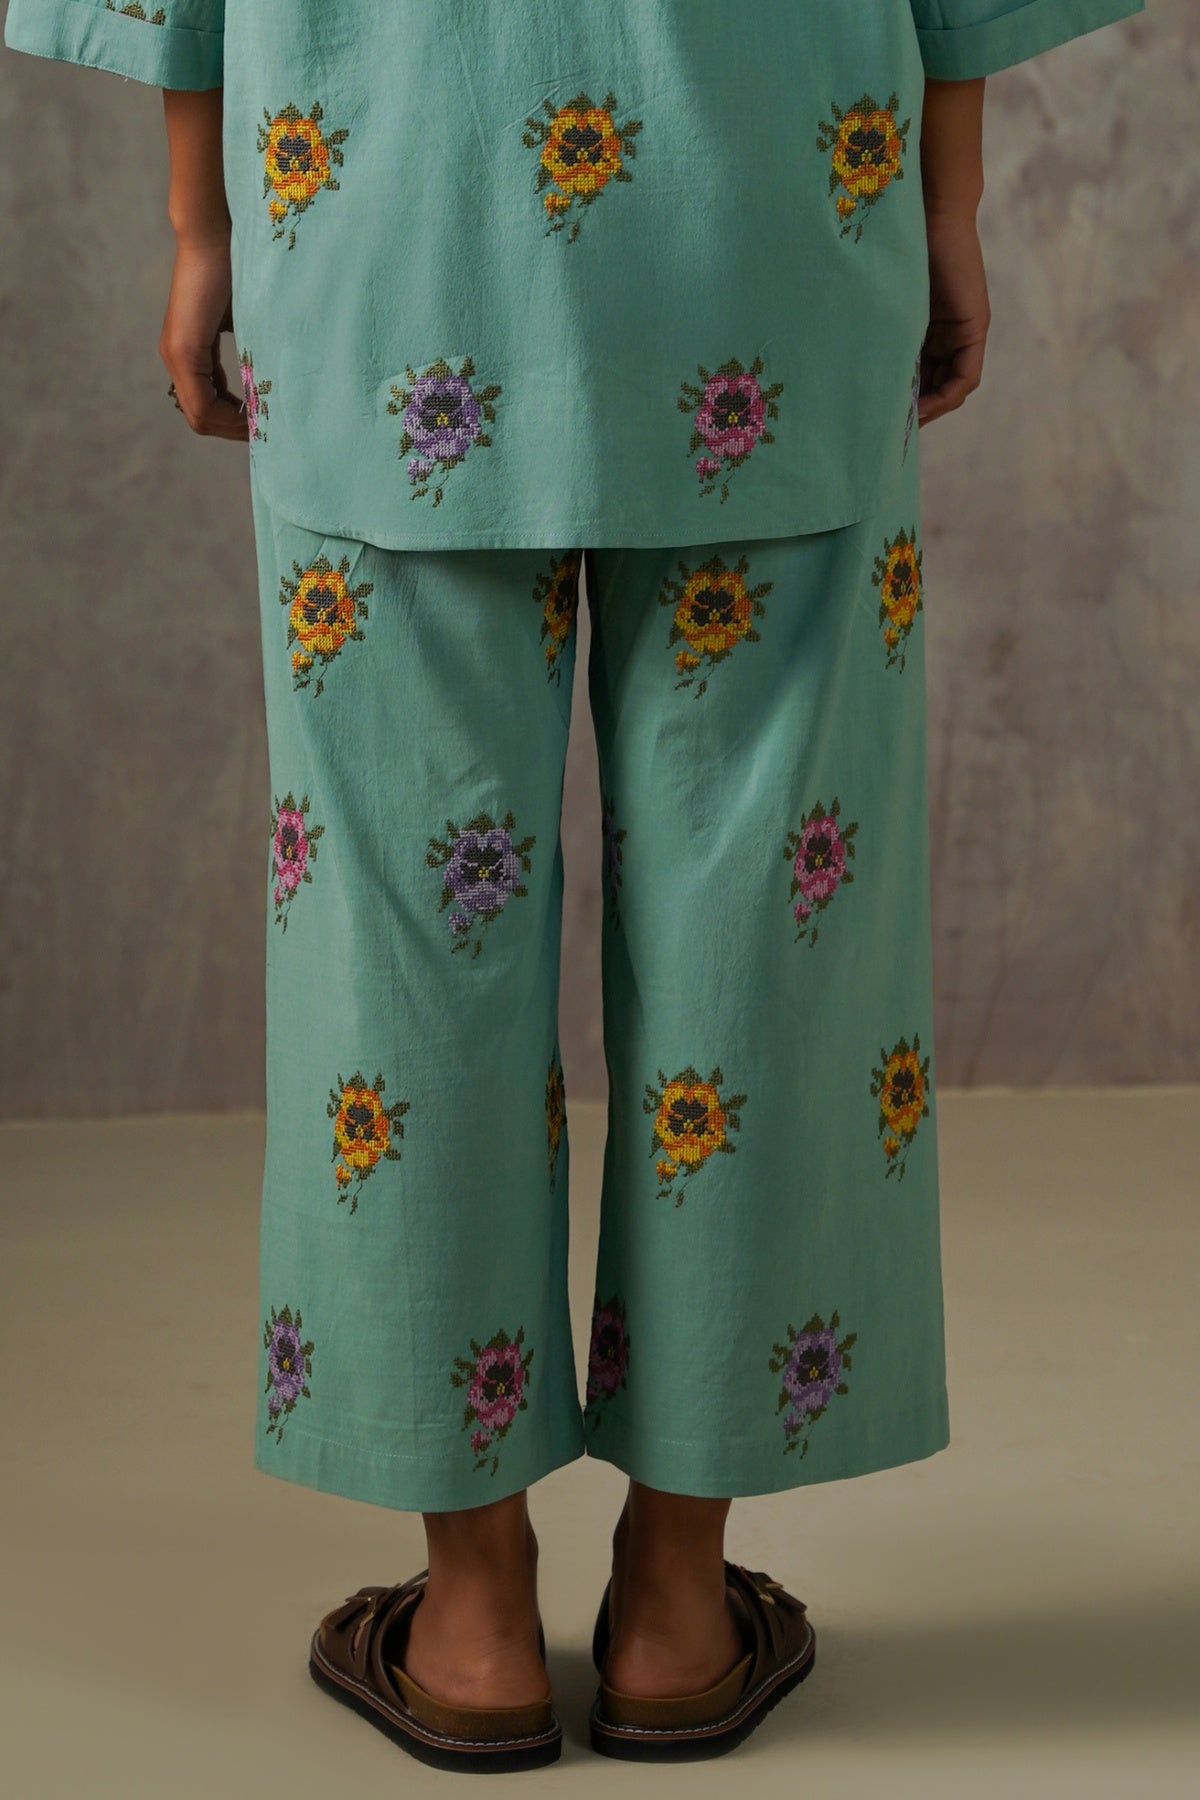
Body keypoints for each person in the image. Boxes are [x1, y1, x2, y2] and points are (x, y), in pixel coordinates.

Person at [4, 0, 1144, 1772]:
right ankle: (679, 1607)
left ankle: (471, 1623)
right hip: (767, 222)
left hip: (387, 231)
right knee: (762, 910)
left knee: (401, 925)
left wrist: (200, 223)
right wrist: (948, 195)